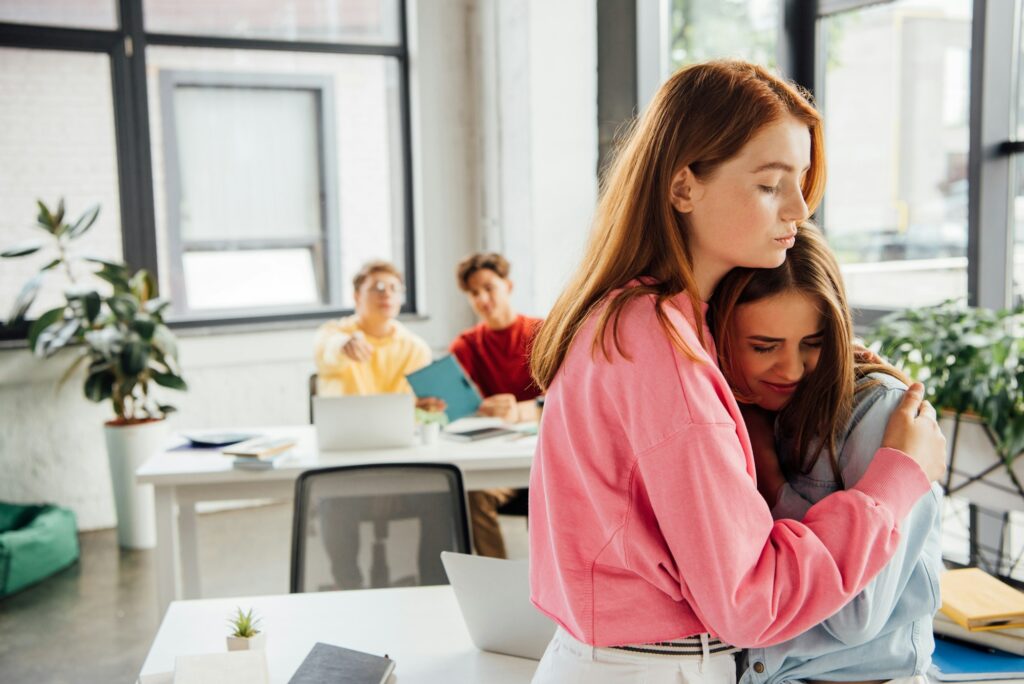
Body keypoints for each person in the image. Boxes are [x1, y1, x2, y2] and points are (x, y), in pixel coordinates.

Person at [527, 59, 946, 683]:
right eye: (771, 184)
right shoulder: (659, 343)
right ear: (683, 187)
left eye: (802, 181)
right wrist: (895, 482)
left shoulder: (632, 320)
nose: (800, 209)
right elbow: (752, 600)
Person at [709, 225, 942, 684]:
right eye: (764, 346)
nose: (792, 369)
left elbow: (855, 614)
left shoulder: (879, 412)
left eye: (813, 343)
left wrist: (771, 480)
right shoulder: (733, 410)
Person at [312, 260, 445, 588]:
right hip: (345, 463)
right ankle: (348, 587)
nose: (386, 294)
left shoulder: (415, 348)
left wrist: (431, 407)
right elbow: (326, 349)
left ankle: (433, 588)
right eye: (376, 287)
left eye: (394, 288)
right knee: (334, 506)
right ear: (357, 296)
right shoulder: (334, 335)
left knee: (442, 499)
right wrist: (343, 345)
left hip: (402, 463)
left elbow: (421, 415)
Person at [450, 252, 543, 558]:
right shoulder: (466, 345)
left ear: (509, 285)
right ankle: (496, 575)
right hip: (496, 460)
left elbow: (565, 396)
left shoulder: (541, 333)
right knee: (473, 494)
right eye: (474, 293)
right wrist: (481, 408)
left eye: (489, 287)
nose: (483, 298)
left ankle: (546, 583)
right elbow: (455, 410)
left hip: (539, 459)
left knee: (548, 492)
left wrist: (524, 410)